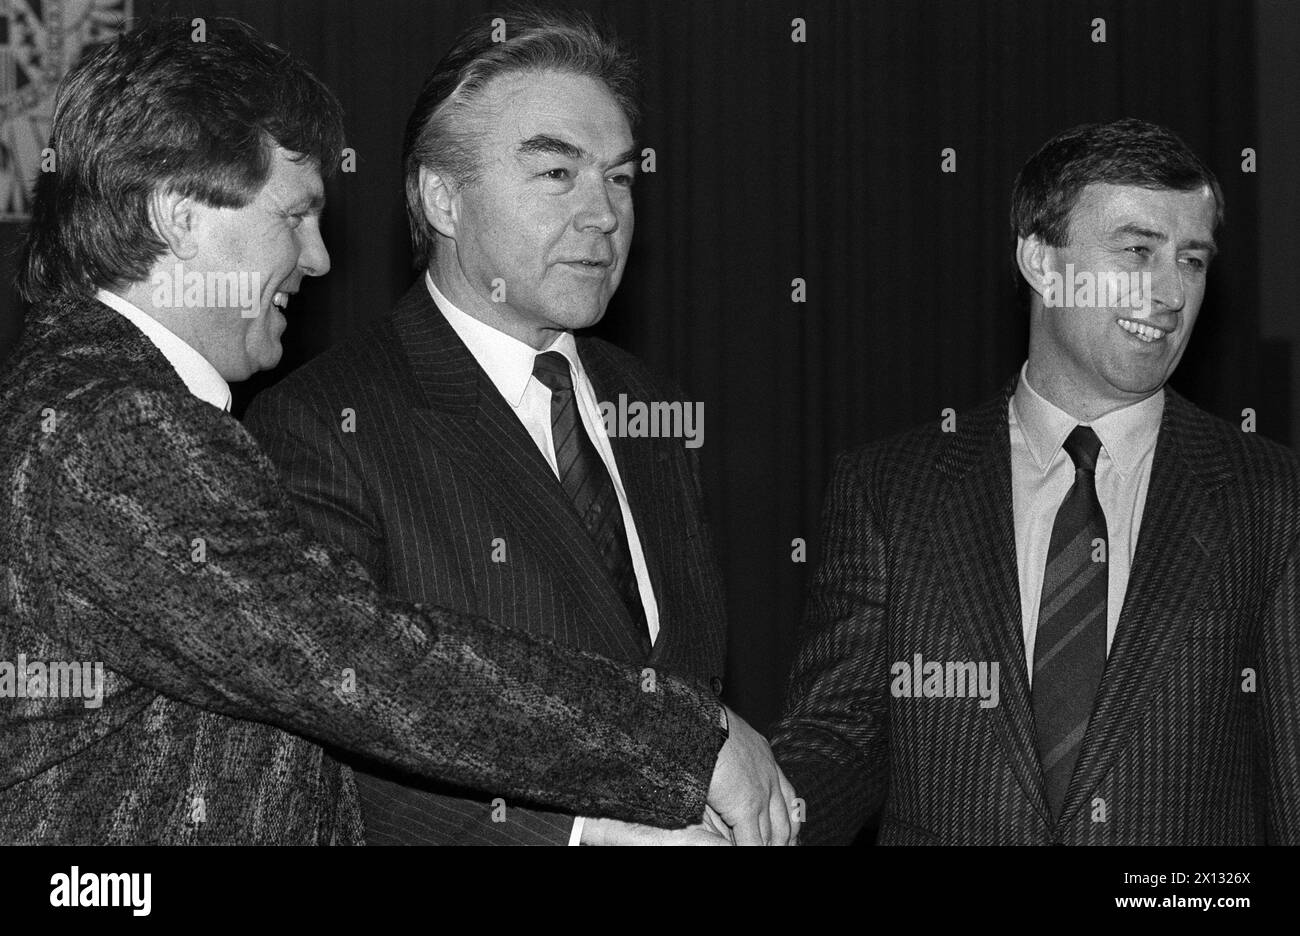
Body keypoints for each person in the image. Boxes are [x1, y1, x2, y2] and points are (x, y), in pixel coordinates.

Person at [0, 16, 788, 846]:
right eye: (295, 216)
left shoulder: (94, 402)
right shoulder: (117, 426)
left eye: (620, 178)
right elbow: (365, 661)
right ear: (180, 217)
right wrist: (688, 740)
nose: (318, 259)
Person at [245, 9, 796, 846]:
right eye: (555, 175)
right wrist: (585, 834)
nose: (604, 215)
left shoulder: (646, 404)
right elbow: (326, 749)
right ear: (443, 199)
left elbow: (670, 677)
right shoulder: (323, 425)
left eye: (618, 178)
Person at [771, 118, 1300, 845]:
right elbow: (843, 736)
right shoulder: (890, 491)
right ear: (1041, 263)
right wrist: (752, 818)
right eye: (1139, 251)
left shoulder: (1271, 497)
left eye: (1193, 261)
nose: (1172, 293)